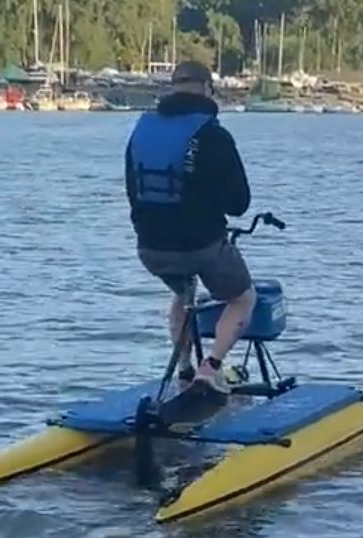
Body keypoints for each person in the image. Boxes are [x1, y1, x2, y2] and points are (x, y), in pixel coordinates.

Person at [124, 60, 255, 396]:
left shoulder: (142, 131)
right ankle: (210, 368)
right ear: (207, 89)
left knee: (183, 293)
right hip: (201, 246)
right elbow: (239, 204)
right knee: (242, 297)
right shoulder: (213, 135)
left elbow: (132, 190)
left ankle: (183, 369)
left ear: (171, 88)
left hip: (150, 248)